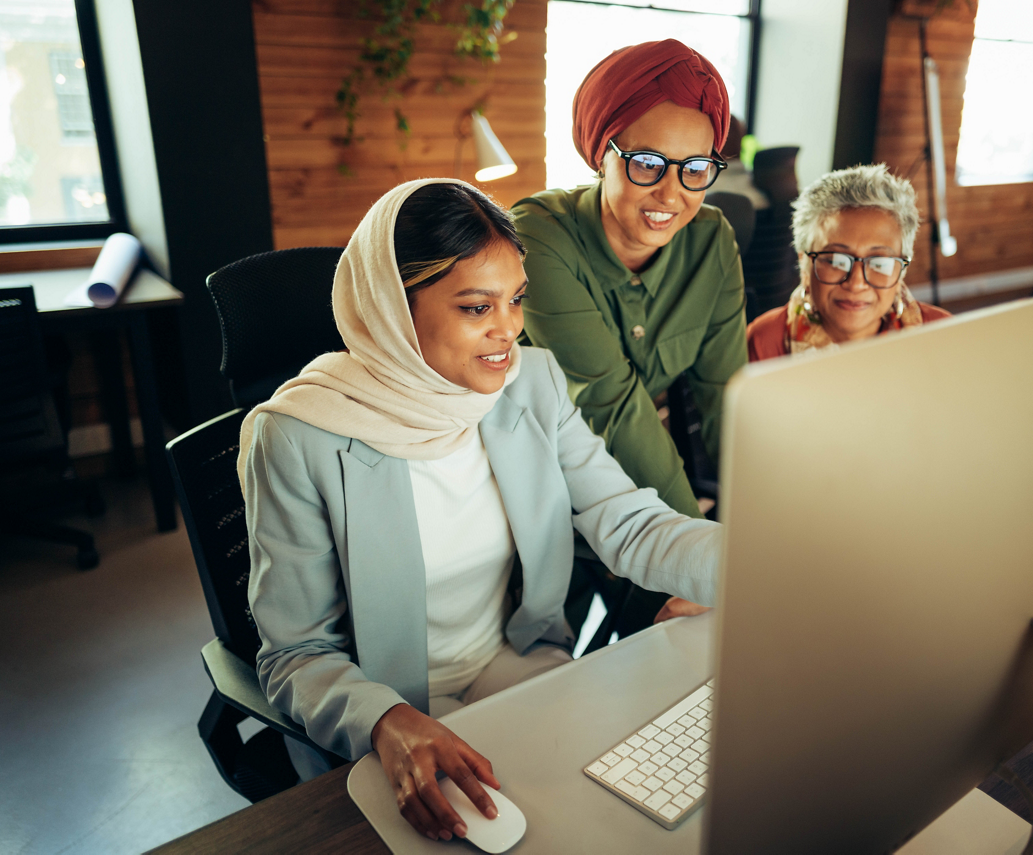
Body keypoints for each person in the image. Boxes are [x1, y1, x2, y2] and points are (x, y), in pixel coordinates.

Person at [241, 178, 720, 843]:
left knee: (615, 817)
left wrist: (755, 565)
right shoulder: (300, 436)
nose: (509, 330)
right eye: (476, 307)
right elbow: (294, 652)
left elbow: (627, 519)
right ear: (391, 310)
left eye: (516, 299)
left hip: (517, 661)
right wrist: (386, 721)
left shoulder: (533, 383)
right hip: (388, 701)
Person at [512, 40, 747, 628]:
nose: (672, 195)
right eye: (647, 163)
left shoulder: (712, 239)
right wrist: (701, 552)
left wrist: (761, 525)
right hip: (540, 482)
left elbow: (728, 392)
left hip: (644, 480)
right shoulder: (538, 240)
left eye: (696, 170)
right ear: (601, 155)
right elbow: (612, 407)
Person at [746, 164, 950, 361]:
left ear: (901, 271)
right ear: (805, 265)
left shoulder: (943, 334)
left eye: (879, 263)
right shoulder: (764, 343)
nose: (856, 283)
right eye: (836, 261)